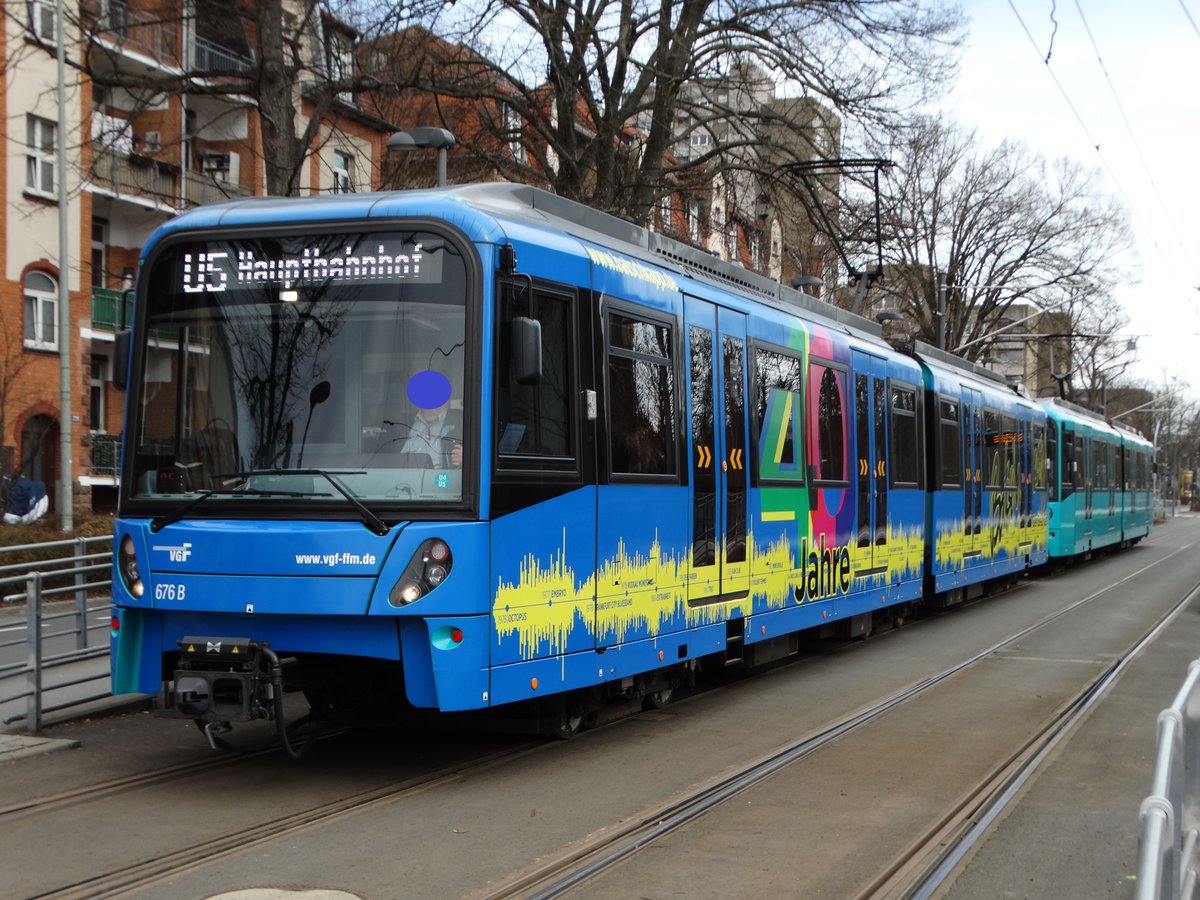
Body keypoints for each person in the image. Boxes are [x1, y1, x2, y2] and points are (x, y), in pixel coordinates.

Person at [397, 398, 462, 468]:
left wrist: (466, 459)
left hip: (440, 477)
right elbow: (387, 456)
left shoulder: (462, 420)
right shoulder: (402, 421)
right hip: (401, 476)